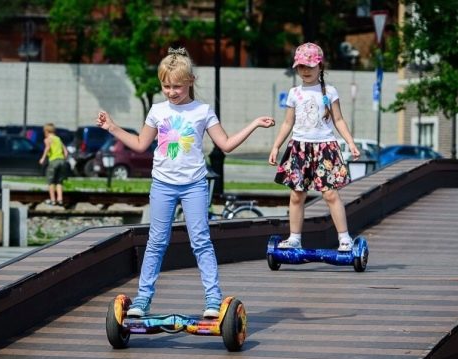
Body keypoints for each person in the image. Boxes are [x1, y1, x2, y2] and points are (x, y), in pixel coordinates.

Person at [96, 47, 274, 319]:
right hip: (162, 185)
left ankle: (213, 299)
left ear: (190, 81)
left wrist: (254, 124)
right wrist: (113, 127)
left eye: (177, 86)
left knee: (201, 240)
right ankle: (143, 299)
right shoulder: (157, 110)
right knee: (156, 242)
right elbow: (141, 144)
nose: (171, 92)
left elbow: (225, 144)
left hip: (194, 185)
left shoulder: (202, 111)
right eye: (166, 86)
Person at [269, 42, 361, 251]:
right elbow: (287, 123)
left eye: (310, 66)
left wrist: (350, 142)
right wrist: (276, 146)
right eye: (301, 66)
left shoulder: (330, 91)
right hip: (299, 148)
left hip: (325, 148)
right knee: (296, 195)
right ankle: (294, 238)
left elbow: (338, 120)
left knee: (330, 194)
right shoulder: (294, 92)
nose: (305, 71)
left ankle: (344, 238)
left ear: (320, 66)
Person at [38, 123, 69, 206]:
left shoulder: (47, 139)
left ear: (46, 131)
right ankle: (60, 200)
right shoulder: (58, 139)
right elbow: (66, 152)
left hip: (53, 161)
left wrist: (43, 158)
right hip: (62, 161)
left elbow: (47, 148)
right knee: (59, 181)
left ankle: (53, 200)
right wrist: (64, 159)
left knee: (51, 181)